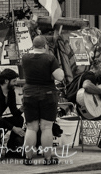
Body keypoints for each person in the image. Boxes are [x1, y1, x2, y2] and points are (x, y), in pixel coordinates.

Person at [21, 35, 65, 165]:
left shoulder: (25, 58)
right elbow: (60, 77)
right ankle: (48, 158)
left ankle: (28, 158)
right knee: (46, 128)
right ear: (45, 45)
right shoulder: (50, 58)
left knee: (31, 127)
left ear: (33, 45)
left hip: (29, 94)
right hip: (48, 95)